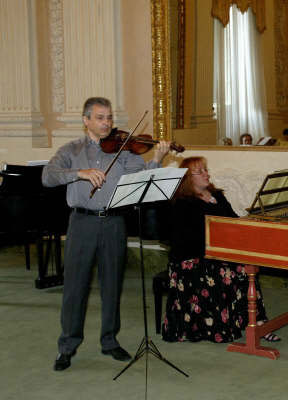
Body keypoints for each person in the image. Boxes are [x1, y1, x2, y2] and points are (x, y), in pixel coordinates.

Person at [42, 97, 171, 371]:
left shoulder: (125, 151)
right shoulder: (71, 149)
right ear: (86, 120)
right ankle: (67, 345)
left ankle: (110, 340)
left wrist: (157, 158)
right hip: (82, 223)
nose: (107, 123)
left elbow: (142, 178)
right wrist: (80, 172)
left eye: (109, 118)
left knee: (112, 285)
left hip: (114, 224)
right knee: (75, 288)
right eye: (100, 117)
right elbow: (48, 176)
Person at [162, 156, 280, 343]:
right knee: (228, 271)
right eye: (199, 172)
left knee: (246, 266)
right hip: (191, 259)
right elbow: (190, 239)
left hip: (216, 252)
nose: (206, 174)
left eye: (206, 170)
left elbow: (231, 220)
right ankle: (226, 326)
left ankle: (257, 322)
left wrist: (249, 220)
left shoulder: (217, 195)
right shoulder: (182, 203)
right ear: (187, 178)